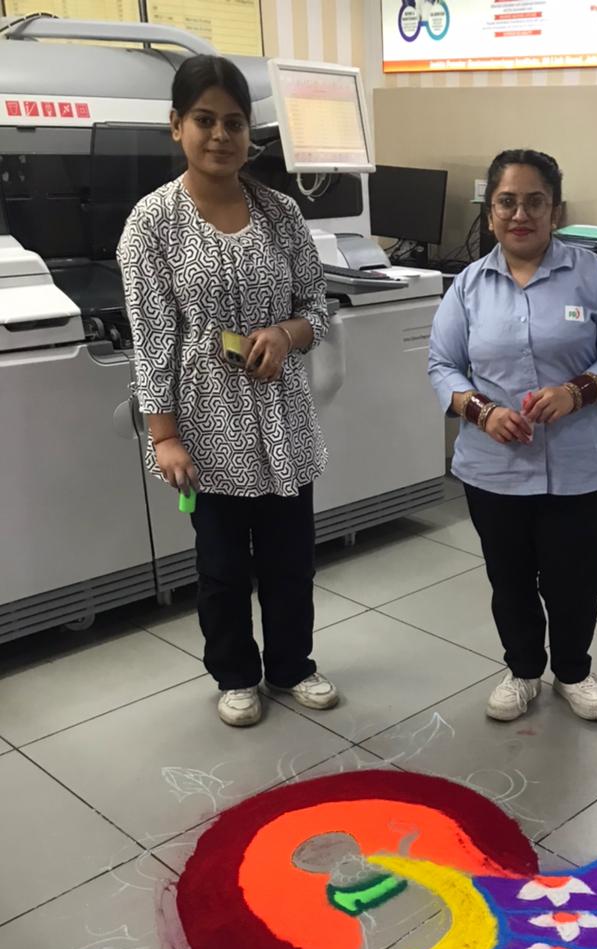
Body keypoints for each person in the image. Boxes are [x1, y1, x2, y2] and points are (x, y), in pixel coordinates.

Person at [117, 55, 338, 727]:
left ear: (249, 133)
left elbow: (317, 307)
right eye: (205, 120)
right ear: (176, 125)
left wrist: (288, 333)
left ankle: (292, 665)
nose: (220, 136)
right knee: (221, 569)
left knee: (291, 562)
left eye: (234, 123)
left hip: (284, 425)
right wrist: (163, 435)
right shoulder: (152, 224)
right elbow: (153, 340)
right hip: (207, 434)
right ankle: (236, 675)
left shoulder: (280, 213)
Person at [428, 149, 597, 722]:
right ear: (490, 212)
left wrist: (578, 391)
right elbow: (442, 365)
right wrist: (481, 411)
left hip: (578, 465)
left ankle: (573, 671)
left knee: (576, 580)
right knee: (511, 579)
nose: (520, 214)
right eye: (507, 202)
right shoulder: (468, 286)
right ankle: (523, 670)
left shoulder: (592, 276)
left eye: (534, 202)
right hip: (493, 469)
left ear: (555, 210)